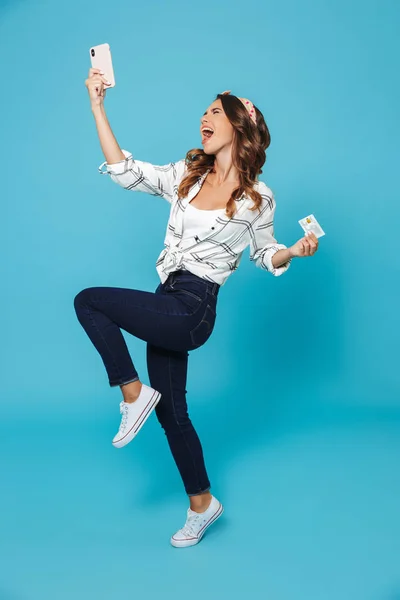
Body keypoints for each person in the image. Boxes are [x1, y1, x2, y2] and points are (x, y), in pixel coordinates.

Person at [74, 69, 319, 548]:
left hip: (195, 308)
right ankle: (203, 505)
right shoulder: (185, 177)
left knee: (89, 301)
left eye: (215, 112)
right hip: (166, 300)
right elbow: (126, 170)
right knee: (173, 414)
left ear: (238, 127)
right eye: (205, 111)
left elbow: (264, 252)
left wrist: (291, 251)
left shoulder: (257, 197)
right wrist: (97, 107)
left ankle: (130, 394)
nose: (204, 117)